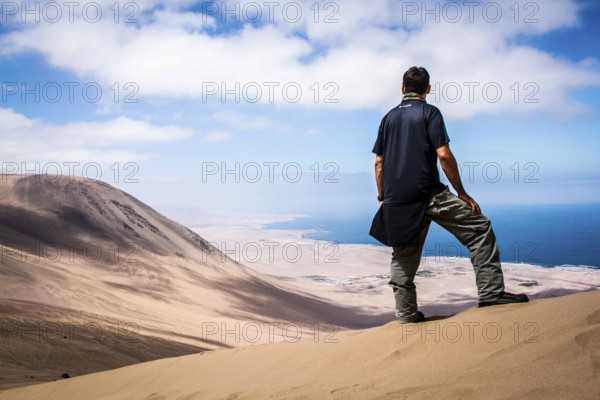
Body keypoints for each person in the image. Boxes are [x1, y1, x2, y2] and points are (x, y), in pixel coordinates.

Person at [369, 66, 528, 323]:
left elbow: (379, 162)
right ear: (428, 89)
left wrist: (383, 197)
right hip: (430, 194)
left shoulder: (387, 118)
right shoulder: (429, 112)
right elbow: (443, 154)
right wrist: (461, 192)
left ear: (402, 89)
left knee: (403, 255)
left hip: (398, 200)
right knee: (480, 229)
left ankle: (406, 315)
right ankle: (491, 294)